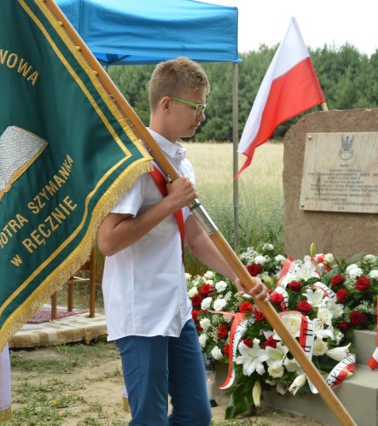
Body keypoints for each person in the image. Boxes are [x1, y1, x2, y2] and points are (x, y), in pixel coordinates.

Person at [97, 57, 268, 425]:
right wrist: (170, 203)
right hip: (139, 309)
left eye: (204, 107)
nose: (202, 116)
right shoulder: (134, 162)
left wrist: (236, 275)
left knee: (195, 414)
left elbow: (193, 236)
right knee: (151, 418)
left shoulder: (180, 163)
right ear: (166, 104)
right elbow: (108, 241)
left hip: (174, 307)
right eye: (197, 107)